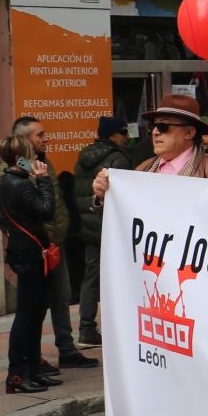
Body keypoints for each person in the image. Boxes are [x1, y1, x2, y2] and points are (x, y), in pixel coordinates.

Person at [94, 94, 208, 416]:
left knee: (206, 377)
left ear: (190, 133)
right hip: (159, 290)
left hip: (201, 290)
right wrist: (105, 193)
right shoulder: (143, 171)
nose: (154, 133)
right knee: (164, 374)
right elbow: (123, 227)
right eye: (153, 127)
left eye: (165, 127)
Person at [4, 116, 95, 372]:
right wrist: (23, 232)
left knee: (62, 297)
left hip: (55, 244)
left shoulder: (43, 162)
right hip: (36, 248)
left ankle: (66, 350)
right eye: (39, 135)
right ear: (23, 139)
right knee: (35, 306)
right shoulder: (14, 169)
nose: (46, 138)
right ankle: (33, 359)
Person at [0, 136, 64, 394]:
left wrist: (10, 223)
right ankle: (16, 375)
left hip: (25, 253)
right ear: (20, 159)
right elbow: (47, 211)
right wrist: (44, 180)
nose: (36, 160)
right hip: (29, 256)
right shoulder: (20, 185)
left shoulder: (8, 181)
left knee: (35, 313)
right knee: (27, 315)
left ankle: (33, 370)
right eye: (31, 155)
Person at [72, 115, 132, 350]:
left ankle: (86, 328)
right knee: (118, 279)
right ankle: (116, 329)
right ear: (114, 135)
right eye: (124, 133)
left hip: (89, 225)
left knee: (91, 277)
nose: (127, 138)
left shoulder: (83, 157)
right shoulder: (118, 158)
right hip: (111, 227)